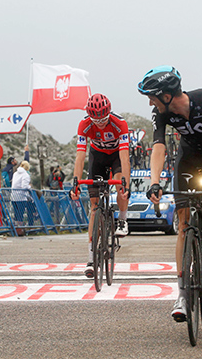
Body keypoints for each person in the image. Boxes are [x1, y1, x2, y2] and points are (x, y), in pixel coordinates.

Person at [137, 65, 202, 323]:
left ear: (167, 96)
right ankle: (181, 295)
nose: (150, 101)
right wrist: (155, 182)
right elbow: (158, 147)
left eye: (152, 96)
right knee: (182, 226)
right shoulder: (161, 114)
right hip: (187, 160)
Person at [69, 93, 131, 279]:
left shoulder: (120, 124)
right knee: (94, 207)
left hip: (116, 157)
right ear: (90, 117)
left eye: (103, 119)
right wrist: (75, 182)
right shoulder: (84, 125)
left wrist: (125, 183)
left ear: (109, 114)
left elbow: (125, 157)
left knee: (120, 184)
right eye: (97, 120)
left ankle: (121, 219)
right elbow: (80, 156)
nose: (101, 123)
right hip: (97, 157)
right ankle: (90, 257)